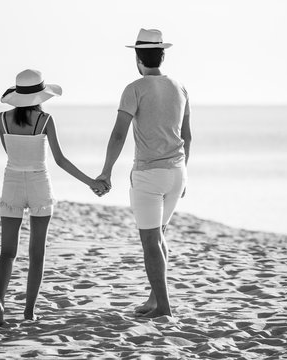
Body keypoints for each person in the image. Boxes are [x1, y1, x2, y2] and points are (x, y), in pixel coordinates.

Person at [0, 69, 108, 326]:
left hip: (11, 184)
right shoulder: (45, 120)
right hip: (39, 184)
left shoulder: (1, 119)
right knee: (37, 253)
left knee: (7, 252)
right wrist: (92, 183)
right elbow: (60, 160)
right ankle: (29, 311)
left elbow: (10, 152)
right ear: (40, 95)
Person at [95, 29, 192, 318]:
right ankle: (154, 299)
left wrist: (106, 172)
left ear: (138, 57)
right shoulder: (180, 87)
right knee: (160, 236)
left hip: (149, 174)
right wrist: (185, 171)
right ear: (162, 55)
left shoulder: (134, 88)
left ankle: (163, 307)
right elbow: (187, 136)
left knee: (151, 241)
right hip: (177, 172)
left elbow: (117, 135)